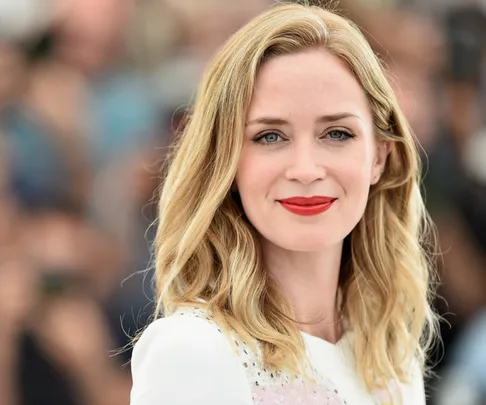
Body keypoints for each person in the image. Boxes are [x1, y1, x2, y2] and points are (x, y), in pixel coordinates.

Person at [130, 3, 439, 405]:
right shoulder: (193, 351)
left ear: (379, 157)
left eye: (337, 133)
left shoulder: (392, 364)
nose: (306, 170)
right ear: (227, 162)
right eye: (270, 137)